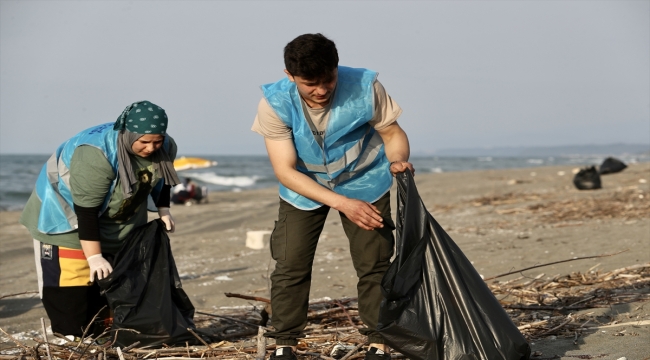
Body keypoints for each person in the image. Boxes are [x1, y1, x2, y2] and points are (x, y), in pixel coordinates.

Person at [251, 33, 414, 360]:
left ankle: (378, 342)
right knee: (290, 262)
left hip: (365, 181)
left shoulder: (366, 87)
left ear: (337, 68)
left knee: (375, 262)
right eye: (310, 83)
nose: (322, 90)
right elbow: (285, 171)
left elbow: (392, 134)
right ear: (290, 76)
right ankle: (285, 343)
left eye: (328, 79)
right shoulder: (275, 103)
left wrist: (398, 162)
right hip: (304, 187)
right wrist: (341, 203)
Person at [20, 100, 180, 340]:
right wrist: (94, 256)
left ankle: (103, 340)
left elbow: (162, 176)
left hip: (119, 221)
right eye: (144, 142)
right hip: (66, 221)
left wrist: (163, 209)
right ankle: (72, 339)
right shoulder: (95, 155)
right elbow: (86, 211)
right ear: (128, 135)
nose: (151, 148)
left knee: (114, 286)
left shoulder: (165, 146)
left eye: (157, 141)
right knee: (72, 290)